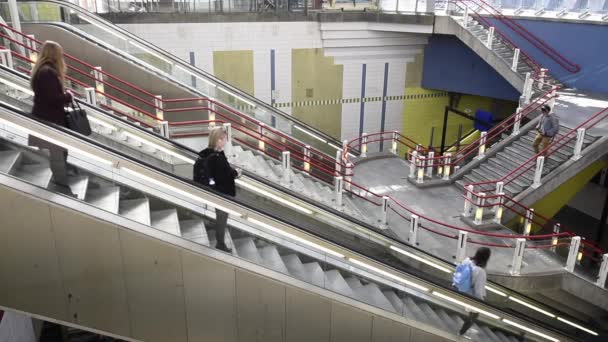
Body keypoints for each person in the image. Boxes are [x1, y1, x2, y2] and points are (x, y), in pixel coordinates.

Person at [29, 41, 76, 197]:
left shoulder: (42, 70)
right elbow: (53, 98)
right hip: (50, 120)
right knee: (57, 153)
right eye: (60, 53)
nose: (62, 57)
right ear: (54, 54)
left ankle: (61, 182)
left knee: (59, 152)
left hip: (47, 117)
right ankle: (62, 187)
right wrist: (68, 96)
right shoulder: (47, 73)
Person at [193, 127, 241, 253]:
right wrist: (236, 173)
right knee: (222, 217)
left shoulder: (207, 153)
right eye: (224, 139)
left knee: (221, 216)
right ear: (219, 140)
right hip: (221, 192)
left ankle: (220, 239)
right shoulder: (216, 156)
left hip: (214, 190)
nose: (225, 141)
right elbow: (223, 176)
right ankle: (220, 243)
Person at [454, 247, 491, 336]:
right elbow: (478, 290)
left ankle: (462, 330)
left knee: (470, 312)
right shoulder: (480, 271)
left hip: (459, 289)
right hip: (470, 294)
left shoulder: (467, 260)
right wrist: (481, 302)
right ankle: (461, 332)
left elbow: (458, 271)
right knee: (474, 315)